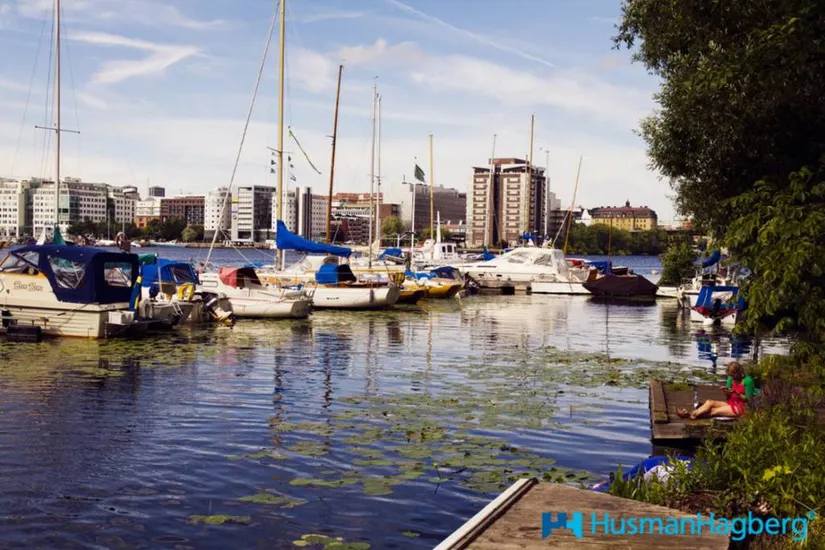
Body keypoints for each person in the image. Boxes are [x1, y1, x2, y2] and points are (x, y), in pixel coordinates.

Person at [677, 361, 756, 419]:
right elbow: (728, 396)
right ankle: (692, 414)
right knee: (709, 402)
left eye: (733, 375)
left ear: (739, 372)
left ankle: (689, 415)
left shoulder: (748, 381)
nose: (732, 377)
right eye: (731, 375)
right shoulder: (730, 379)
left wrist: (737, 393)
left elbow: (749, 399)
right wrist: (725, 391)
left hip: (742, 407)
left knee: (714, 411)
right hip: (731, 403)